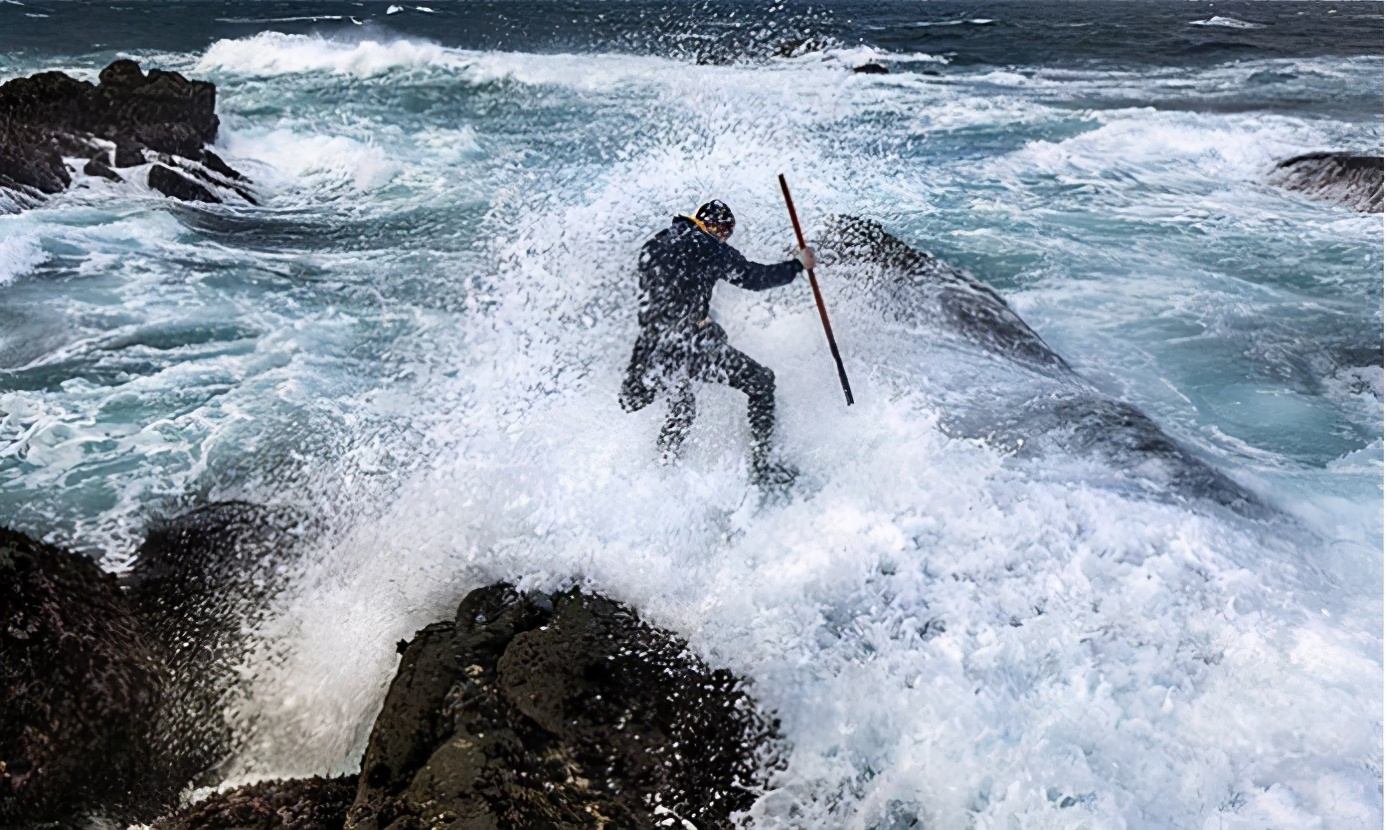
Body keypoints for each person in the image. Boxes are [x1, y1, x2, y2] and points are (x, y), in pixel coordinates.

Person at [619, 199, 816, 488]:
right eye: (724, 230)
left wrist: (702, 322)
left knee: (680, 404)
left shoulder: (657, 243)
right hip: (685, 346)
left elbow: (668, 297)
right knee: (761, 382)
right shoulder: (708, 247)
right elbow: (753, 277)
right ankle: (762, 470)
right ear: (711, 226)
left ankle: (662, 471)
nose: (724, 237)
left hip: (650, 347)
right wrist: (798, 264)